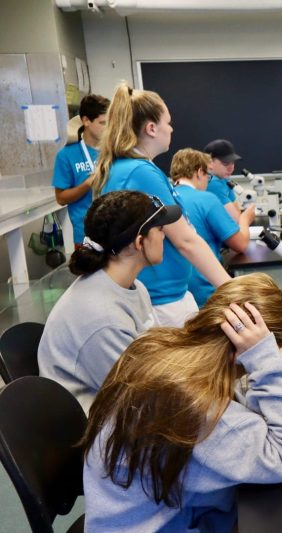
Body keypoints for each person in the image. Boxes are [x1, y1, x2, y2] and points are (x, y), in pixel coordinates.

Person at [81, 273, 282, 531]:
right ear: (242, 352)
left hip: (136, 515)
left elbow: (232, 415)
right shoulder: (196, 407)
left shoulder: (160, 348)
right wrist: (268, 363)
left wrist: (268, 383)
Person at [91, 84, 231, 327]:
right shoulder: (141, 172)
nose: (172, 128)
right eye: (168, 122)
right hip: (163, 301)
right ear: (152, 128)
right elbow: (185, 240)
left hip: (156, 296)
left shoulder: (121, 167)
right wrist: (233, 290)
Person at [38, 190, 180, 413]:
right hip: (102, 429)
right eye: (160, 229)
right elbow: (146, 401)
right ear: (139, 242)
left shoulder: (134, 288)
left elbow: (157, 358)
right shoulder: (103, 319)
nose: (164, 236)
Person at [170, 148, 256, 307]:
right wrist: (245, 219)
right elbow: (240, 244)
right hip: (206, 293)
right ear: (198, 172)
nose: (207, 181)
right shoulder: (206, 200)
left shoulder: (166, 198)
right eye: (207, 177)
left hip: (177, 292)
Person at [52, 94, 110, 246]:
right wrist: (88, 183)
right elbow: (61, 198)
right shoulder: (66, 155)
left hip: (115, 230)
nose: (108, 128)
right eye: (103, 123)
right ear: (86, 121)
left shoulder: (113, 150)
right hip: (85, 236)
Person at [204, 138, 243, 222]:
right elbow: (235, 219)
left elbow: (237, 211)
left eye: (233, 162)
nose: (231, 168)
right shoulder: (213, 183)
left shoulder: (224, 179)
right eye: (225, 163)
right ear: (209, 162)